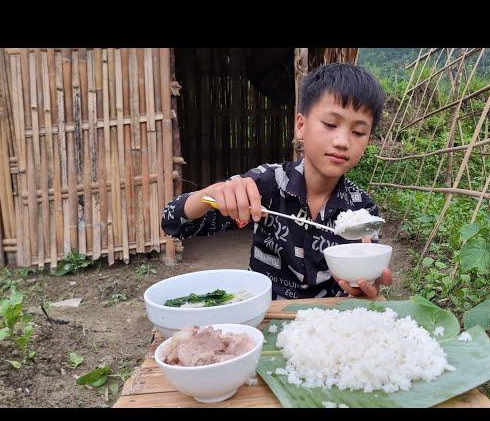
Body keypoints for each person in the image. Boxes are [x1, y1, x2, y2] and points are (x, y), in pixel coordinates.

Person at [162, 62, 392, 300]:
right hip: (266, 317)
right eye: (331, 124)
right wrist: (209, 196)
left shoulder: (363, 211)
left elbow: (367, 282)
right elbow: (172, 222)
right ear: (301, 126)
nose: (343, 141)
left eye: (358, 132)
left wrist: (366, 287)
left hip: (329, 325)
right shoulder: (264, 184)